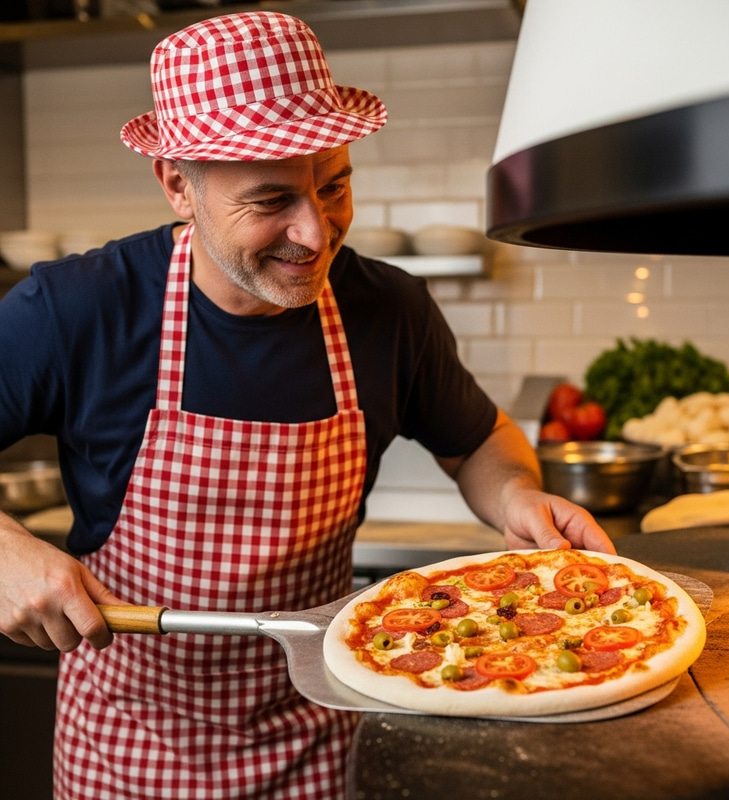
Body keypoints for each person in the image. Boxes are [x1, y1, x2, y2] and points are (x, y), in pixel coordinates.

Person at [0, 11, 614, 800]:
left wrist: (518, 494)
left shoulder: (388, 308)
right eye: (270, 201)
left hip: (319, 742)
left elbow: (479, 440)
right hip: (131, 747)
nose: (315, 232)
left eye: (334, 185)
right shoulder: (77, 308)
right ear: (177, 184)